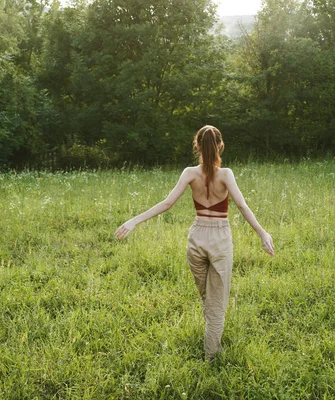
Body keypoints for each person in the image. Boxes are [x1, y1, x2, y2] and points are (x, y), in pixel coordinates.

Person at [115, 125, 274, 362]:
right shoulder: (226, 174)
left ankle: (212, 338)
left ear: (197, 146)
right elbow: (242, 206)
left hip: (197, 238)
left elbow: (167, 203)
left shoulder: (189, 173)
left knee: (208, 298)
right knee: (216, 302)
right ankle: (212, 356)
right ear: (220, 146)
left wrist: (134, 220)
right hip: (220, 239)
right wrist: (262, 233)